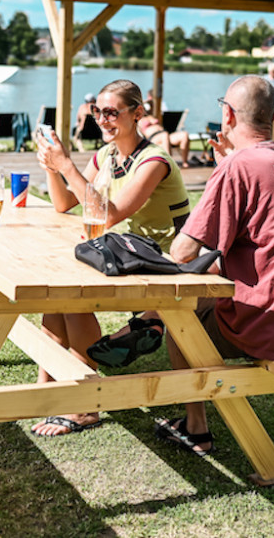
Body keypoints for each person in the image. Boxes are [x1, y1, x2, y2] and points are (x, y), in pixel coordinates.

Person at [153, 74, 274, 455]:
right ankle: (140, 326)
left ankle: (196, 428)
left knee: (180, 316)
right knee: (208, 286)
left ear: (227, 115)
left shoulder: (238, 166)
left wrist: (222, 172)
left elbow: (182, 252)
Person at [32, 79, 190, 436]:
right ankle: (46, 388)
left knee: (72, 295)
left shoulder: (154, 161)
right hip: (129, 252)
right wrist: (52, 167)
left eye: (111, 112)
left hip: (165, 263)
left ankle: (85, 406)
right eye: (97, 112)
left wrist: (67, 165)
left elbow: (107, 214)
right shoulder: (107, 156)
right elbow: (64, 203)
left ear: (137, 113)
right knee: (56, 289)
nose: (102, 120)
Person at [139, 92, 191, 168]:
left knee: (184, 134)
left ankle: (184, 162)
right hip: (153, 138)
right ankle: (170, 162)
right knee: (164, 135)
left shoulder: (152, 116)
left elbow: (154, 105)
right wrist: (145, 101)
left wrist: (151, 103)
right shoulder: (139, 120)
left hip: (165, 134)